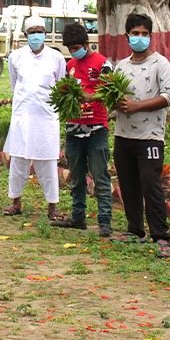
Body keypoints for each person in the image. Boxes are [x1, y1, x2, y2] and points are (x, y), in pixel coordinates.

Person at [111, 13, 170, 256]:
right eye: (135, 34)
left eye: (144, 34)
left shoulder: (160, 64)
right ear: (127, 36)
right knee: (128, 184)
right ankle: (135, 229)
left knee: (151, 185)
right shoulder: (122, 66)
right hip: (123, 135)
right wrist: (115, 103)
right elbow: (113, 96)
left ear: (150, 36)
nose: (139, 38)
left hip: (150, 137)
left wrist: (138, 106)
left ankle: (160, 235)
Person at [51, 23, 114, 236]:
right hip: (73, 128)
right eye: (70, 48)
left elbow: (111, 93)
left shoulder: (103, 63)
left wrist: (90, 96)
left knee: (100, 176)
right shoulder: (70, 65)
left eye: (76, 47)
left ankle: (105, 222)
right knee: (76, 176)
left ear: (87, 43)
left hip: (96, 128)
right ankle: (78, 217)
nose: (73, 51)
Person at [2, 16, 65, 220]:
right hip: (22, 116)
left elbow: (62, 86)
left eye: (40, 31)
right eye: (32, 32)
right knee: (18, 160)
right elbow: (15, 84)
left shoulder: (56, 58)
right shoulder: (16, 57)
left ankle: (52, 205)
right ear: (26, 34)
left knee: (47, 162)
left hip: (46, 118)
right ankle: (15, 202)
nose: (36, 35)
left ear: (45, 34)